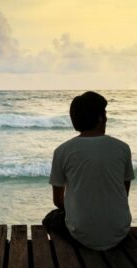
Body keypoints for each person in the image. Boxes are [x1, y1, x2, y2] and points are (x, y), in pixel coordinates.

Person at [42, 91, 135, 250]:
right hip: (119, 231)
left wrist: (80, 208)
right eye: (104, 114)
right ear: (99, 118)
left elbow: (58, 201)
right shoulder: (123, 148)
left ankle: (67, 253)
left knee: (51, 219)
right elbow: (122, 194)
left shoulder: (62, 151)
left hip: (82, 235)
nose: (106, 118)